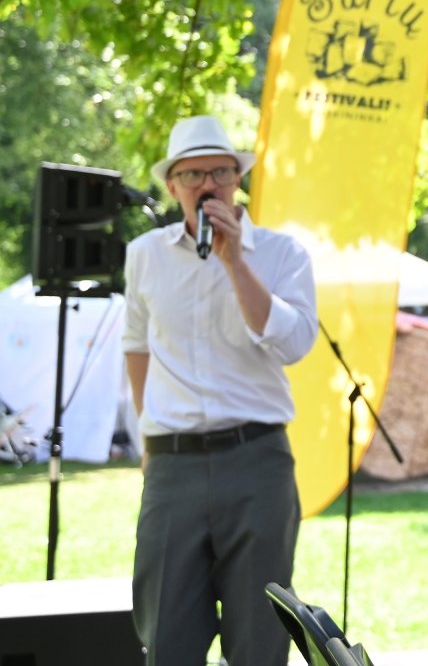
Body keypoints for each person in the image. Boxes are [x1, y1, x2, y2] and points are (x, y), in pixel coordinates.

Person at [122, 114, 318, 666]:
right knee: (166, 639)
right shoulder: (145, 256)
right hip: (172, 466)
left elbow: (295, 343)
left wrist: (236, 263)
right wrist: (146, 436)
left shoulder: (282, 254)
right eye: (192, 175)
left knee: (259, 640)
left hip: (256, 461)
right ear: (172, 186)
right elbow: (135, 346)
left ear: (237, 180)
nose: (207, 185)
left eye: (219, 172)